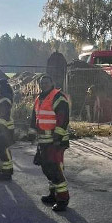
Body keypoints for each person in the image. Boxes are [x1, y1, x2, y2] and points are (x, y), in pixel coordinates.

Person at [28, 74, 70, 212]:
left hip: (55, 141)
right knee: (46, 168)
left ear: (52, 83)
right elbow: (36, 117)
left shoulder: (58, 97)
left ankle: (63, 199)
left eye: (46, 82)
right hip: (44, 141)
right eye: (42, 82)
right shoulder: (40, 98)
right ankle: (53, 194)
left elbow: (62, 118)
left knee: (55, 169)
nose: (44, 84)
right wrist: (31, 133)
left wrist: (57, 138)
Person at [0, 78, 15, 180]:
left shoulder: (5, 99)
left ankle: (7, 173)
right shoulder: (4, 97)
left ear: (1, 87)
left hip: (4, 128)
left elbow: (3, 114)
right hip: (5, 127)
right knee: (2, 150)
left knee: (3, 150)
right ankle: (4, 170)